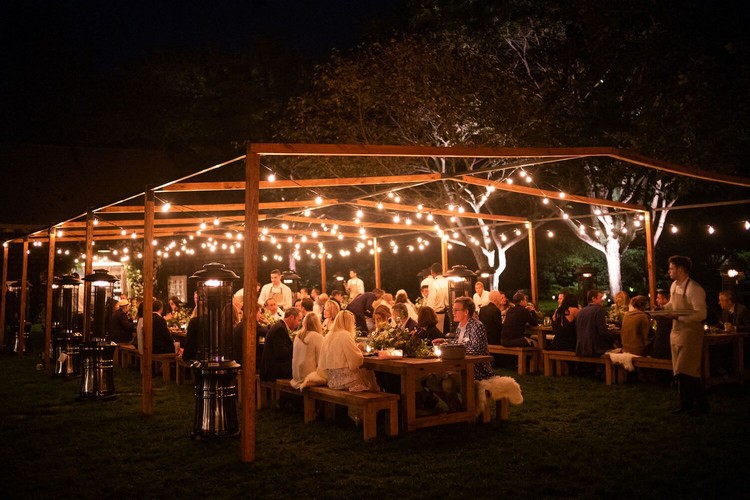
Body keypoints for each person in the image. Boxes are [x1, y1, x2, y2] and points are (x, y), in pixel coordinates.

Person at [663, 255, 708, 413]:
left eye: (671, 268)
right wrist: (662, 308)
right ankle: (685, 405)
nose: (669, 271)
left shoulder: (694, 289)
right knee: (679, 370)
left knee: (687, 370)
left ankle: (701, 405)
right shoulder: (674, 285)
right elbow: (672, 304)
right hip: (676, 332)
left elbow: (701, 314)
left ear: (681, 270)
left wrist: (678, 317)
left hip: (691, 332)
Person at [314, 310, 379, 392]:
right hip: (346, 380)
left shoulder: (328, 335)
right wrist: (359, 349)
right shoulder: (345, 335)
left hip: (332, 380)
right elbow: (355, 359)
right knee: (369, 374)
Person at [452, 297, 493, 380]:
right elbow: (458, 343)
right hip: (462, 365)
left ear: (466, 312)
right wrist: (444, 342)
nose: (453, 313)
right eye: (453, 310)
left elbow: (476, 349)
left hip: (476, 369)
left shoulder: (476, 326)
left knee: (447, 379)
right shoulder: (460, 325)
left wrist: (454, 351)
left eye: (456, 310)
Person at [259, 307, 302, 381]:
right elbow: (281, 354)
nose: (298, 324)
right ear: (291, 317)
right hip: (272, 371)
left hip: (273, 368)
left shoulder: (280, 326)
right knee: (300, 371)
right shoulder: (280, 329)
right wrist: (296, 343)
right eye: (298, 320)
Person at [575, 290, 613, 357]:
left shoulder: (581, 311)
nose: (602, 300)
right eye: (600, 297)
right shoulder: (598, 310)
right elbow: (602, 331)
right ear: (593, 299)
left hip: (581, 348)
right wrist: (613, 339)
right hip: (594, 349)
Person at [290, 312, 324, 389]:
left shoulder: (297, 336)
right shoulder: (317, 336)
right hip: (308, 377)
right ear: (317, 323)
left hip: (296, 376)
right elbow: (321, 360)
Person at [425, 263, 449, 333]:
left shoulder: (433, 284)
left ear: (432, 272)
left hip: (438, 315)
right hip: (449, 315)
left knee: (438, 336)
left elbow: (431, 303)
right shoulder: (448, 282)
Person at [651, 290, 673, 359]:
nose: (656, 300)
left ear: (665, 300)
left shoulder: (667, 314)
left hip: (664, 343)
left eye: (658, 298)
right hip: (662, 342)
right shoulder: (659, 312)